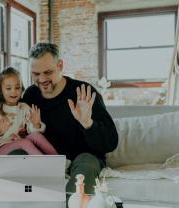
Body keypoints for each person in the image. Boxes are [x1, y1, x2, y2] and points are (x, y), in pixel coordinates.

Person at [22, 43, 118, 195]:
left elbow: (111, 142)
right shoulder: (30, 95)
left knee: (85, 163)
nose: (41, 79)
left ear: (60, 65)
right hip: (47, 158)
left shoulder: (84, 92)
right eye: (36, 74)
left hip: (84, 158)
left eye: (47, 72)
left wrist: (88, 123)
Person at [0, 67, 58, 155]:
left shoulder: (24, 108)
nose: (14, 92)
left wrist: (36, 124)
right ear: (1, 90)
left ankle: (59, 160)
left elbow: (31, 131)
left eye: (17, 87)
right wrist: (0, 131)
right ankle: (46, 165)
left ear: (21, 88)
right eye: (8, 88)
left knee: (36, 136)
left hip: (19, 145)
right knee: (25, 142)